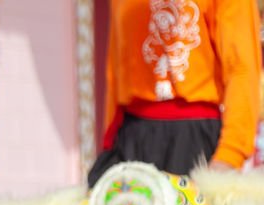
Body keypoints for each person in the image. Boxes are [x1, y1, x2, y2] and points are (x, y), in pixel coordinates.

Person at [88, 0, 262, 186]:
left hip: (196, 140)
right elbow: (116, 71)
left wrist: (229, 155)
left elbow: (242, 68)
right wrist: (109, 146)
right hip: (133, 137)